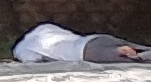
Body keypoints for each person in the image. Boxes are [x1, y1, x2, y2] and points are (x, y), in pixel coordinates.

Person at [15, 21, 151, 63]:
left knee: (137, 60)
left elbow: (35, 63)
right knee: (143, 49)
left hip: (84, 53)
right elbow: (69, 34)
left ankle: (120, 51)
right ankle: (122, 49)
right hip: (94, 38)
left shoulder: (20, 49)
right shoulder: (42, 27)